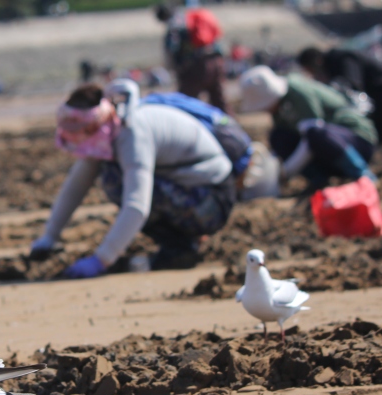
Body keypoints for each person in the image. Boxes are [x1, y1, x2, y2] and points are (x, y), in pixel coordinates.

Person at [29, 79, 236, 277]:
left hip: (213, 197)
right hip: (187, 187)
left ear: (97, 121)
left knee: (116, 183)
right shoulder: (107, 129)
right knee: (114, 176)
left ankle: (181, 246)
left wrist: (101, 260)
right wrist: (49, 237)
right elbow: (77, 184)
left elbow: (137, 205)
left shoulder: (132, 132)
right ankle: (182, 242)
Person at [238, 66, 378, 190]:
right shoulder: (279, 107)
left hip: (356, 141)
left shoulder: (298, 93)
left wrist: (286, 172)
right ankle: (319, 180)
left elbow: (313, 136)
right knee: (278, 136)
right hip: (329, 153)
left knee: (315, 133)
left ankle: (363, 176)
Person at [297, 46, 382, 143]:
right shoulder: (339, 59)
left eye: (311, 71)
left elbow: (353, 86)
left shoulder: (342, 58)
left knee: (376, 136)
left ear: (317, 61)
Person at [155, 4, 229, 113]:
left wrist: (175, 68)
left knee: (185, 104)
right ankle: (230, 127)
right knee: (219, 102)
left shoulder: (174, 27)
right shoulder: (190, 18)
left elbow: (171, 50)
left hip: (195, 67)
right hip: (215, 62)